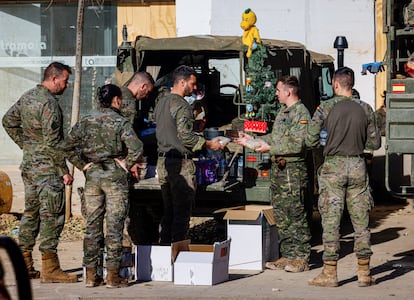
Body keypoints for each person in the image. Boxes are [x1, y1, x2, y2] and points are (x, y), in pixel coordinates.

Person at [61, 84, 144, 288]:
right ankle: (112, 276)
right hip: (114, 176)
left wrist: (82, 165)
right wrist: (127, 164)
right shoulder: (120, 121)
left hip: (93, 177)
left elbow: (66, 146)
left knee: (92, 227)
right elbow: (137, 147)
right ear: (116, 100)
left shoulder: (86, 120)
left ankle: (91, 275)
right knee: (114, 226)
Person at [2, 62, 77, 283]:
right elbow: (54, 143)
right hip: (48, 171)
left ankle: (24, 264)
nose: (66, 85)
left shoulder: (28, 97)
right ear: (53, 79)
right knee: (52, 216)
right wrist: (63, 170)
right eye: (64, 80)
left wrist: (27, 146)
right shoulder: (49, 104)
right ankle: (50, 268)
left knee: (30, 214)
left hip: (30, 167)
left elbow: (8, 121)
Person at [306, 67, 381, 287]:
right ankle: (364, 273)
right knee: (361, 222)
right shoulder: (366, 109)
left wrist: (328, 142)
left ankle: (330, 274)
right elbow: (374, 143)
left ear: (336, 85)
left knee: (331, 221)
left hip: (333, 167)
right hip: (358, 165)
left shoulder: (325, 108)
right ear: (352, 84)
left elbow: (310, 139)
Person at [236, 75, 312, 273]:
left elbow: (297, 144)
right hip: (279, 169)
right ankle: (287, 255)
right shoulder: (283, 112)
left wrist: (269, 147)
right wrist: (254, 140)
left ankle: (301, 257)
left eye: (278, 91)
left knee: (296, 213)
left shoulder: (300, 113)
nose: (276, 94)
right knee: (281, 214)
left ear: (288, 92)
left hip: (292, 170)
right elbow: (276, 137)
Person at [154, 65, 223, 244]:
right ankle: (178, 253)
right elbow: (185, 137)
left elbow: (171, 128)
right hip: (180, 166)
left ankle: (165, 249)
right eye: (192, 84)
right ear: (182, 82)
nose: (194, 88)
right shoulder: (182, 105)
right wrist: (208, 144)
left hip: (163, 163)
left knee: (168, 212)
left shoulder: (162, 102)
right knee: (181, 214)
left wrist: (194, 127)